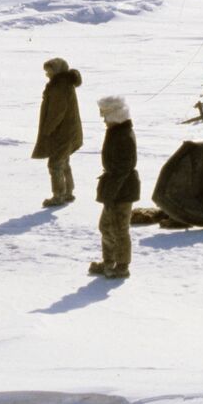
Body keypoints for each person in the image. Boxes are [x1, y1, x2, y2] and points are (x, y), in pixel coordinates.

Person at [90, 96, 139, 279]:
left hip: (122, 189)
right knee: (106, 226)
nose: (104, 120)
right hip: (116, 187)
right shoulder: (117, 131)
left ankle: (122, 266)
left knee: (119, 228)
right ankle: (109, 261)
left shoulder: (122, 135)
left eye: (106, 115)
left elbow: (123, 169)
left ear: (115, 115)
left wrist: (110, 194)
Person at [31, 57, 83, 207]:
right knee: (63, 161)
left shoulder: (59, 86)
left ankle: (59, 195)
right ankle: (68, 192)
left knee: (55, 164)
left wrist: (48, 129)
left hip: (63, 132)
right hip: (69, 130)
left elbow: (57, 112)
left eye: (49, 71)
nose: (47, 75)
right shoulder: (64, 83)